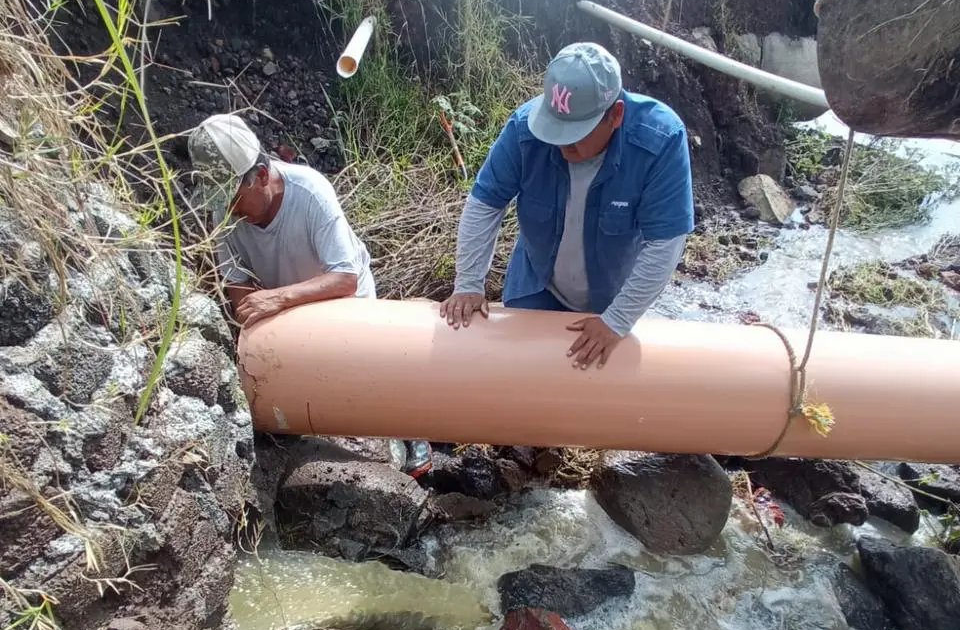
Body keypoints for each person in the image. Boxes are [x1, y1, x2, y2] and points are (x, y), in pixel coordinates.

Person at [188, 113, 432, 478]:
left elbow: (345, 277)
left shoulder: (310, 192)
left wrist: (277, 299)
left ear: (261, 177)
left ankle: (412, 433)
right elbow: (236, 281)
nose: (229, 211)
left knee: (373, 371)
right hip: (286, 311)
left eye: (235, 199)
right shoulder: (225, 214)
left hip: (340, 300)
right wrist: (249, 310)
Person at [440, 42, 694, 369]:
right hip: (537, 284)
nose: (561, 145)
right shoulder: (524, 131)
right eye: (555, 130)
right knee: (521, 378)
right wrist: (469, 284)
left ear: (615, 115)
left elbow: (665, 243)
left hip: (612, 296)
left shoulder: (659, 140)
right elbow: (485, 206)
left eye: (576, 135)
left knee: (599, 398)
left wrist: (617, 320)